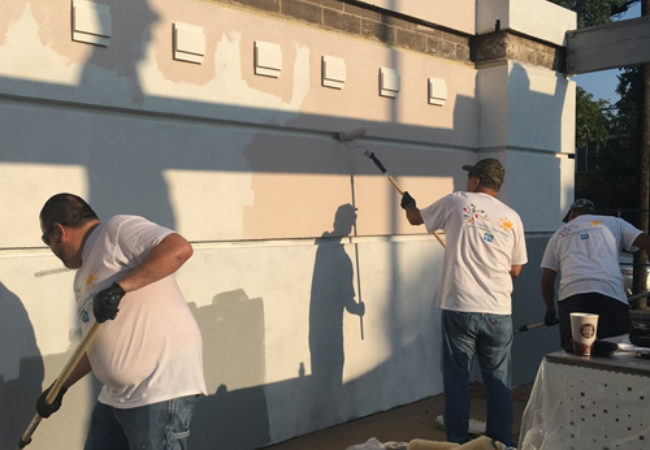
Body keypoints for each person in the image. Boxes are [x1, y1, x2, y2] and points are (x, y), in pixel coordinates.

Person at [36, 193, 207, 450]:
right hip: (115, 397)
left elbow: (179, 249)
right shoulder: (82, 277)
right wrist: (59, 387)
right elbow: (94, 344)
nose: (52, 251)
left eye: (46, 240)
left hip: (158, 388)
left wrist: (119, 288)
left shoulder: (115, 231)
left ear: (59, 231)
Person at [401, 158, 527, 447]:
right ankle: (499, 445)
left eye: (469, 176)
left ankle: (457, 444)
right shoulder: (512, 217)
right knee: (498, 383)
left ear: (476, 182)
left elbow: (416, 219)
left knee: (458, 380)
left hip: (460, 307)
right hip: (498, 311)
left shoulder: (457, 202)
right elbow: (517, 269)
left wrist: (408, 203)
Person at [540, 198, 650, 350]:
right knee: (618, 350)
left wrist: (550, 310)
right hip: (610, 295)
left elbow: (546, 282)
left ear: (572, 214)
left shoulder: (559, 233)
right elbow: (646, 241)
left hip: (572, 296)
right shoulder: (613, 223)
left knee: (576, 353)